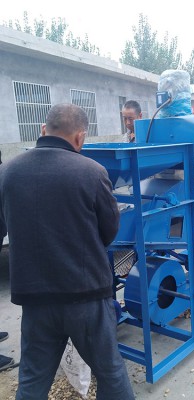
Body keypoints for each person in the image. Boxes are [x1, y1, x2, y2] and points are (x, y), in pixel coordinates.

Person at [0, 103, 135, 399]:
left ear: (43, 130)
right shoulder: (92, 172)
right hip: (86, 298)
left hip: (35, 301)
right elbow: (109, 231)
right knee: (111, 375)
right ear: (80, 137)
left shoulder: (7, 172)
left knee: (32, 382)